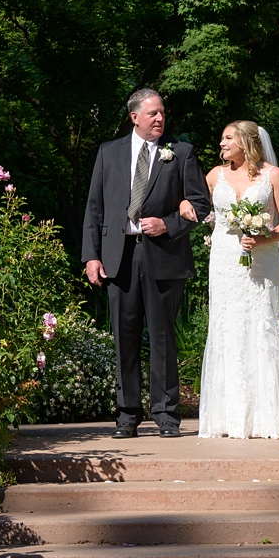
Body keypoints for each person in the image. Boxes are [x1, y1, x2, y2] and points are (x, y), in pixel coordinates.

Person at [81, 89, 212, 438]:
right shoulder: (109, 153)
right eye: (152, 113)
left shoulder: (180, 153)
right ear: (134, 117)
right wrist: (92, 255)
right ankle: (127, 416)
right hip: (118, 256)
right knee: (124, 338)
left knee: (162, 336)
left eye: (162, 113)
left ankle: (166, 415)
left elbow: (200, 205)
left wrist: (168, 224)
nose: (159, 119)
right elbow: (95, 207)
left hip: (163, 255)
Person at [194, 119, 279, 439]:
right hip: (225, 259)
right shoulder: (215, 175)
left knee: (263, 322)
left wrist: (264, 238)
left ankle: (268, 416)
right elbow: (192, 203)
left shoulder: (273, 175)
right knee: (226, 325)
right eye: (222, 139)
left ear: (246, 142)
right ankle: (230, 417)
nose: (222, 144)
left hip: (262, 260)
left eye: (228, 138)